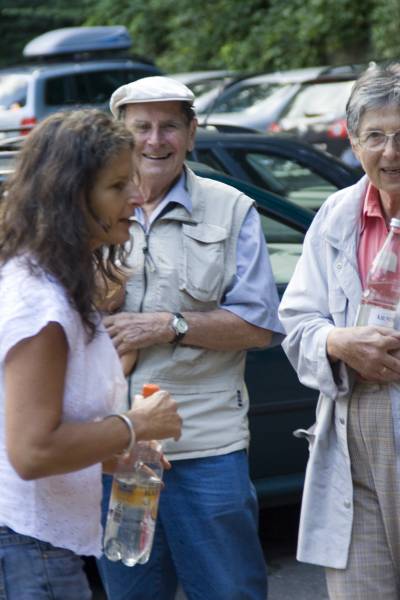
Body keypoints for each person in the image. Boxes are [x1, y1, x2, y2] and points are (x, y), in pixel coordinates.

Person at [96, 75, 284, 600]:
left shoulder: (230, 207)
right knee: (131, 593)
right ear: (119, 135)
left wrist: (169, 325)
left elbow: (260, 325)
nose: (156, 140)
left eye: (170, 127)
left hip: (207, 447)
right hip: (117, 447)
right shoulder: (91, 209)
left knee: (228, 592)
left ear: (192, 133)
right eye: (141, 128)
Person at [0, 109, 182, 600]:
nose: (137, 197)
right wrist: (135, 425)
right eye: (118, 185)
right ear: (70, 196)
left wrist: (114, 454)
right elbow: (31, 452)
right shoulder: (40, 303)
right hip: (28, 544)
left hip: (36, 542)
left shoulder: (48, 281)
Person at [279, 63, 400, 599]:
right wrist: (336, 341)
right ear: (352, 140)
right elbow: (297, 320)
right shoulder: (336, 214)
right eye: (376, 136)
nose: (390, 152)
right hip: (353, 430)